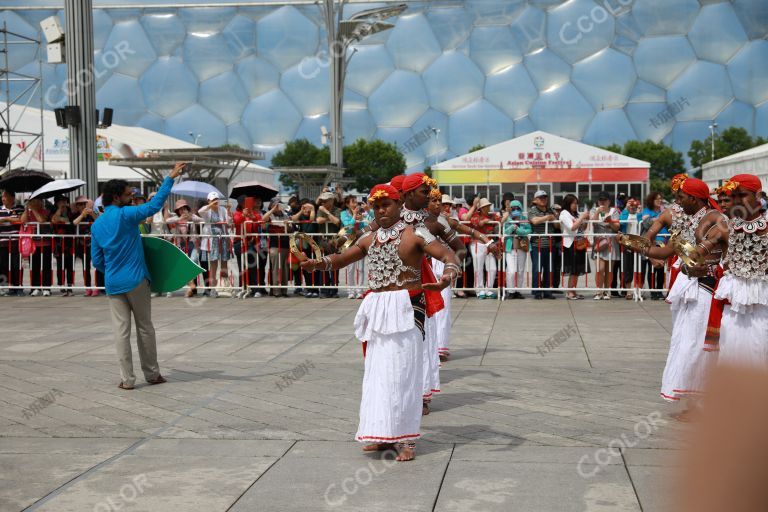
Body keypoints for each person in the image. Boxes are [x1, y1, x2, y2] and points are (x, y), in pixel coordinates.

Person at [301, 184, 461, 461]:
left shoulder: (417, 232)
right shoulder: (370, 237)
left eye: (386, 204)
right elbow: (340, 259)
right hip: (378, 310)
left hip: (408, 307)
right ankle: (381, 434)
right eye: (376, 206)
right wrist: (317, 264)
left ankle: (407, 439)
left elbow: (449, 255)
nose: (381, 210)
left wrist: (446, 276)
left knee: (404, 374)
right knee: (377, 375)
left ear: (399, 204)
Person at [622, 176, 727, 420]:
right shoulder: (688, 220)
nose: (676, 202)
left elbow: (729, 257)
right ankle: (695, 403)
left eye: (681, 197)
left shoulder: (716, 220)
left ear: (694, 198)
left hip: (706, 289)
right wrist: (636, 245)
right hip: (688, 287)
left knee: (700, 345)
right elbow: (668, 250)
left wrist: (718, 271)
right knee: (685, 341)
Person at [91, 162, 185, 390]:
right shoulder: (126, 215)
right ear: (115, 197)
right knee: (144, 327)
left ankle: (127, 380)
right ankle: (152, 375)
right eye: (127, 194)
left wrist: (112, 271)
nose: (131, 197)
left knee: (121, 332)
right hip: (136, 280)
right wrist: (170, 178)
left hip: (113, 283)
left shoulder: (97, 225)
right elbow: (153, 206)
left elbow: (97, 261)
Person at [712, 174, 768, 368]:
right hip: (734, 306)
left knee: (760, 347)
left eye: (741, 195)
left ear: (758, 195)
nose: (736, 201)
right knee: (731, 351)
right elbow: (702, 252)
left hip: (763, 303)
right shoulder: (725, 227)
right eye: (732, 196)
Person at [165, 199, 203, 298]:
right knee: (182, 265)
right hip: (180, 244)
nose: (182, 211)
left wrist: (191, 218)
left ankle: (191, 287)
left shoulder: (192, 216)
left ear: (187, 208)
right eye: (180, 209)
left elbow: (202, 220)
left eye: (184, 208)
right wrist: (179, 219)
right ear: (177, 211)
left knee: (193, 260)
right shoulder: (176, 217)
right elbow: (167, 220)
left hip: (193, 243)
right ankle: (191, 286)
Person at [198, 191, 232, 298]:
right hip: (212, 240)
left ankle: (226, 286)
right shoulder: (207, 211)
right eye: (213, 200)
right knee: (213, 264)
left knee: (224, 263)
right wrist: (210, 205)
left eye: (216, 200)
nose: (215, 202)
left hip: (223, 239)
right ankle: (213, 288)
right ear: (209, 201)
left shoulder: (222, 210)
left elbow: (229, 222)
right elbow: (200, 211)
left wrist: (229, 210)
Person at [528, 190, 559, 300]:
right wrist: (547, 218)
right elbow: (534, 221)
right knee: (537, 269)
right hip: (537, 245)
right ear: (535, 200)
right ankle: (537, 291)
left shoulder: (550, 210)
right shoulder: (532, 210)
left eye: (545, 197)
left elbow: (557, 226)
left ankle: (547, 291)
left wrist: (555, 216)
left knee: (549, 269)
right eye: (541, 198)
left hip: (550, 244)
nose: (543, 199)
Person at [589, 191, 620, 300]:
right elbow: (592, 223)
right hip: (599, 242)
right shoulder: (594, 210)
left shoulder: (614, 211)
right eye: (600, 200)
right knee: (600, 268)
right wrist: (597, 212)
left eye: (605, 200)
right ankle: (598, 291)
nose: (602, 202)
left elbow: (617, 227)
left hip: (611, 242)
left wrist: (610, 221)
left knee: (609, 269)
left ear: (609, 201)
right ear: (597, 201)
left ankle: (607, 291)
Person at [232, 196, 265, 298]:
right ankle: (243, 287)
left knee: (252, 265)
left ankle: (255, 288)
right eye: (244, 202)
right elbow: (237, 221)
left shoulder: (254, 213)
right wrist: (243, 215)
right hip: (239, 242)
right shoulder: (237, 213)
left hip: (251, 243)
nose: (246, 204)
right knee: (241, 266)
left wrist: (252, 216)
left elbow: (260, 221)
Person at [559, 194, 590, 300]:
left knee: (577, 270)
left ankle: (573, 291)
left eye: (576, 203)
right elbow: (572, 227)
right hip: (571, 244)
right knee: (573, 269)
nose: (575, 205)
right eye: (573, 203)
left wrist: (586, 220)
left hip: (580, 243)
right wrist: (581, 217)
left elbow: (582, 228)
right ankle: (570, 291)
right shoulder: (564, 213)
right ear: (568, 203)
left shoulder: (575, 214)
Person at [468, 198, 500, 299]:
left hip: (490, 244)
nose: (488, 208)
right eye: (485, 206)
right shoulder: (475, 215)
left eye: (488, 206)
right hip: (478, 244)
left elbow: (499, 221)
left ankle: (488, 289)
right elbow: (477, 223)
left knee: (492, 268)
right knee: (478, 268)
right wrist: (485, 221)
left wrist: (490, 220)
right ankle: (479, 290)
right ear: (481, 208)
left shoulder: (492, 215)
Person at [71, 196, 102, 296]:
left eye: (84, 204)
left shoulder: (92, 213)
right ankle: (87, 288)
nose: (82, 206)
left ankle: (97, 287)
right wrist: (82, 215)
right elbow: (74, 223)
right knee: (86, 267)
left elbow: (99, 221)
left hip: (94, 244)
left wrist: (92, 213)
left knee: (97, 265)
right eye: (79, 204)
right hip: (82, 245)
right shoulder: (75, 214)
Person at [21, 197, 52, 297]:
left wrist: (33, 209)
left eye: (36, 201)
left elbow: (41, 220)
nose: (34, 203)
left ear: (41, 202)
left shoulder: (46, 212)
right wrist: (27, 209)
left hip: (45, 243)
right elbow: (23, 220)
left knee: (46, 266)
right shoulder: (28, 212)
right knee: (34, 266)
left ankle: (46, 288)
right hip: (33, 244)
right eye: (32, 201)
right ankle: (35, 287)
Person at [501, 200, 531, 299]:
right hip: (510, 247)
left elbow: (529, 230)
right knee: (511, 270)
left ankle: (518, 290)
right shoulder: (508, 219)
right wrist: (511, 228)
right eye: (513, 208)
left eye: (518, 208)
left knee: (521, 270)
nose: (516, 210)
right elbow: (504, 231)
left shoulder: (524, 219)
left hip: (521, 246)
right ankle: (510, 290)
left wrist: (519, 230)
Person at [262, 197, 292, 297]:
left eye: (279, 204)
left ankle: (284, 290)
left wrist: (288, 225)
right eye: (276, 204)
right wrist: (272, 210)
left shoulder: (285, 215)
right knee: (275, 268)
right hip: (274, 245)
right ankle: (276, 290)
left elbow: (290, 227)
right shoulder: (270, 215)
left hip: (285, 244)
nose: (278, 206)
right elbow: (263, 219)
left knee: (285, 268)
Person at [340, 195, 367, 299]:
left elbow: (367, 223)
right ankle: (351, 291)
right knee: (350, 268)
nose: (355, 204)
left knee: (360, 268)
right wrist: (354, 216)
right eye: (353, 202)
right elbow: (348, 227)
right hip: (348, 242)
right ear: (347, 204)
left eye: (356, 202)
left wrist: (363, 217)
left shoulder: (362, 213)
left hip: (360, 240)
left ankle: (359, 291)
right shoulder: (343, 213)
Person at [641, 192, 667, 300]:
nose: (659, 201)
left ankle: (659, 291)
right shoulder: (647, 211)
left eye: (660, 199)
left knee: (660, 269)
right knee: (650, 268)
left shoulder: (664, 211)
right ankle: (652, 291)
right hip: (650, 242)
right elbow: (646, 223)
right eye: (657, 199)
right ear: (651, 200)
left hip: (662, 243)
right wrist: (661, 218)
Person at [292, 199, 320, 297]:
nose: (306, 209)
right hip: (304, 246)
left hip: (314, 246)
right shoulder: (301, 216)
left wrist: (312, 209)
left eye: (308, 207)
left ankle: (315, 289)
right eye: (304, 207)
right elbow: (294, 219)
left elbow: (312, 219)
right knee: (306, 268)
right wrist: (301, 210)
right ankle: (309, 288)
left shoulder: (314, 214)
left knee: (315, 267)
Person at [316, 191, 341, 298]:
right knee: (323, 265)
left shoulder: (337, 210)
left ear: (331, 200)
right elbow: (318, 220)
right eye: (322, 200)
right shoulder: (320, 210)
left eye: (326, 200)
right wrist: (327, 216)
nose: (323, 202)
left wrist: (326, 212)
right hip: (323, 241)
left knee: (335, 265)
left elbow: (336, 221)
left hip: (334, 241)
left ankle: (334, 290)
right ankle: (325, 290)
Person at [0, 190, 24, 296]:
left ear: (12, 198)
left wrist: (5, 219)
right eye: (2, 197)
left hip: (15, 241)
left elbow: (20, 219)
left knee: (16, 265)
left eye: (5, 196)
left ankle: (18, 287)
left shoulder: (19, 208)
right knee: (3, 265)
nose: (3, 198)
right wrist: (9, 219)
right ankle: (6, 287)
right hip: (3, 242)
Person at [50, 195, 75, 296]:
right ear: (56, 203)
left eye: (65, 201)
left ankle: (69, 285)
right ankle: (61, 285)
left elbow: (71, 221)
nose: (63, 203)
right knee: (60, 265)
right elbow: (54, 220)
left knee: (70, 264)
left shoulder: (69, 211)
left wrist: (64, 219)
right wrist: (59, 210)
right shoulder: (53, 210)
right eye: (61, 202)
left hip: (69, 241)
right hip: (58, 242)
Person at [619, 198, 643, 299]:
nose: (632, 206)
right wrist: (626, 209)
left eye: (634, 204)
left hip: (638, 243)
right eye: (630, 204)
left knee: (639, 268)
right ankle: (629, 291)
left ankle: (639, 290)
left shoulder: (639, 214)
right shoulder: (625, 214)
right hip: (627, 243)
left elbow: (642, 223)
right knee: (627, 268)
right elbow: (622, 223)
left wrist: (639, 211)